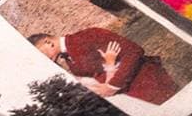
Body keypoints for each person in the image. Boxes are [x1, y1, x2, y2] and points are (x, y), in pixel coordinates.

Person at [29, 27, 177, 105]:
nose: (43, 59)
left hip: (150, 86)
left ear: (48, 42)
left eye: (40, 54)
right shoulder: (68, 60)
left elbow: (133, 51)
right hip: (132, 99)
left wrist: (112, 86)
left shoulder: (89, 35)